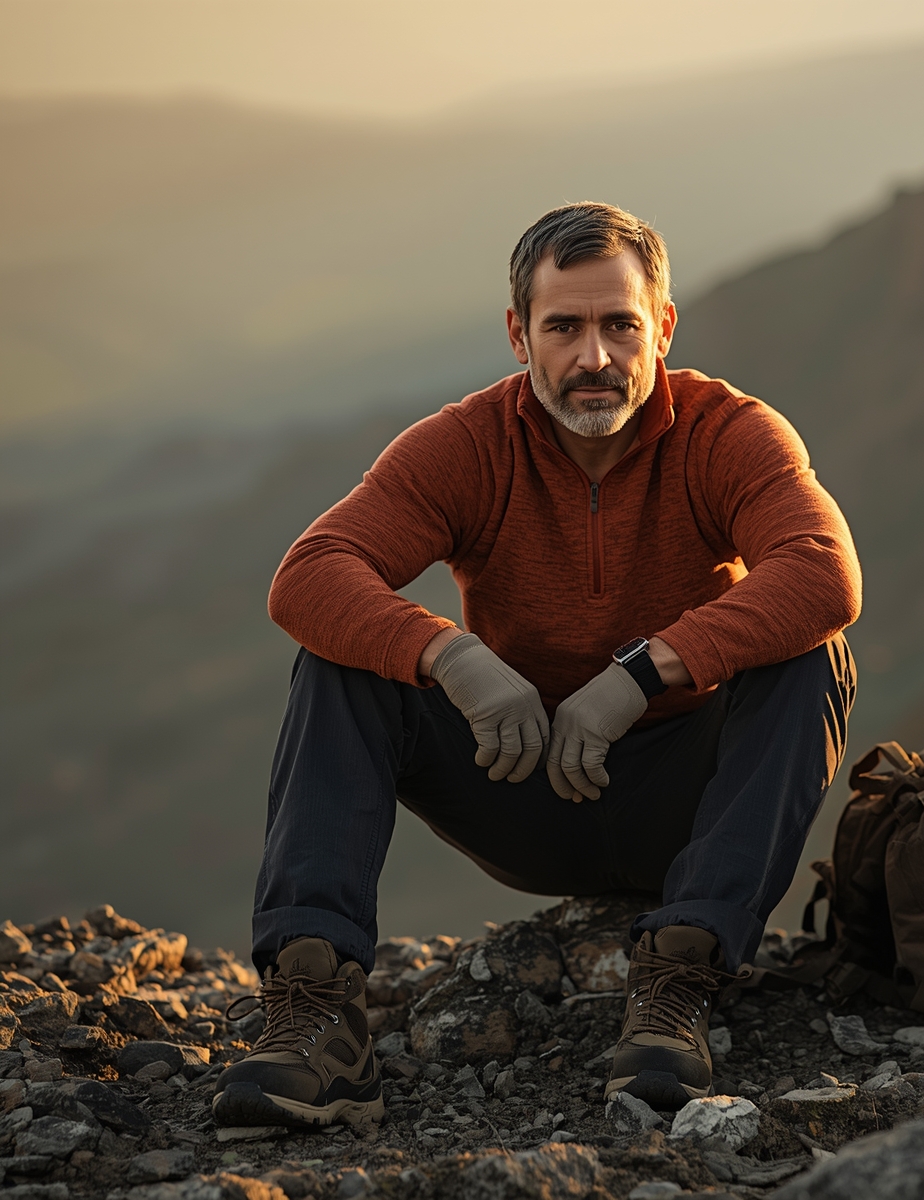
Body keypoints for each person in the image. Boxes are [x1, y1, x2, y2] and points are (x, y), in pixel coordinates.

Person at [211, 202, 861, 1129]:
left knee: (811, 654)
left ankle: (677, 985)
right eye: (563, 327)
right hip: (516, 780)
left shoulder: (727, 434)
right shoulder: (470, 444)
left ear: (663, 327)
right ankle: (314, 1017)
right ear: (520, 335)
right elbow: (310, 573)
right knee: (341, 658)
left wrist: (639, 675)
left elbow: (824, 569)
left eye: (619, 325)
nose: (594, 357)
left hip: (684, 802)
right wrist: (451, 655)